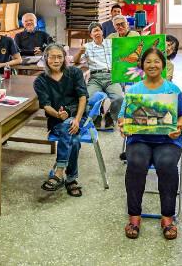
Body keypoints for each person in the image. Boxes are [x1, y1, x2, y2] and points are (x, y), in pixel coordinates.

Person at [119, 48, 182, 240]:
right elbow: (122, 117)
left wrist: (180, 126)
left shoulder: (172, 89)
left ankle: (167, 217)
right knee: (135, 164)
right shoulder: (134, 90)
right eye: (148, 61)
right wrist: (123, 126)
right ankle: (134, 216)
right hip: (139, 139)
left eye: (156, 61)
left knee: (166, 164)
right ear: (142, 65)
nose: (152, 65)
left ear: (163, 65)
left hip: (168, 139)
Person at [35, 44, 87, 197]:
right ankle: (71, 179)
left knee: (69, 126)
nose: (56, 60)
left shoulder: (75, 73)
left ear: (65, 58)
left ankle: (58, 173)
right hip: (57, 121)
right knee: (75, 140)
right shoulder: (40, 81)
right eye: (52, 57)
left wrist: (77, 119)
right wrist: (58, 115)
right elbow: (46, 106)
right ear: (46, 58)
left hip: (78, 115)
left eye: (59, 57)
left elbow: (82, 98)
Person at [74, 22, 123, 129]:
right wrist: (79, 52)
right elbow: (76, 61)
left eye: (98, 30)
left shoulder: (111, 43)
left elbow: (124, 52)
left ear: (102, 32)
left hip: (111, 76)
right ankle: (96, 117)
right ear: (91, 35)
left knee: (119, 98)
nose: (97, 33)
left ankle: (111, 116)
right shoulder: (87, 47)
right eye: (94, 31)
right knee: (88, 99)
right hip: (95, 78)